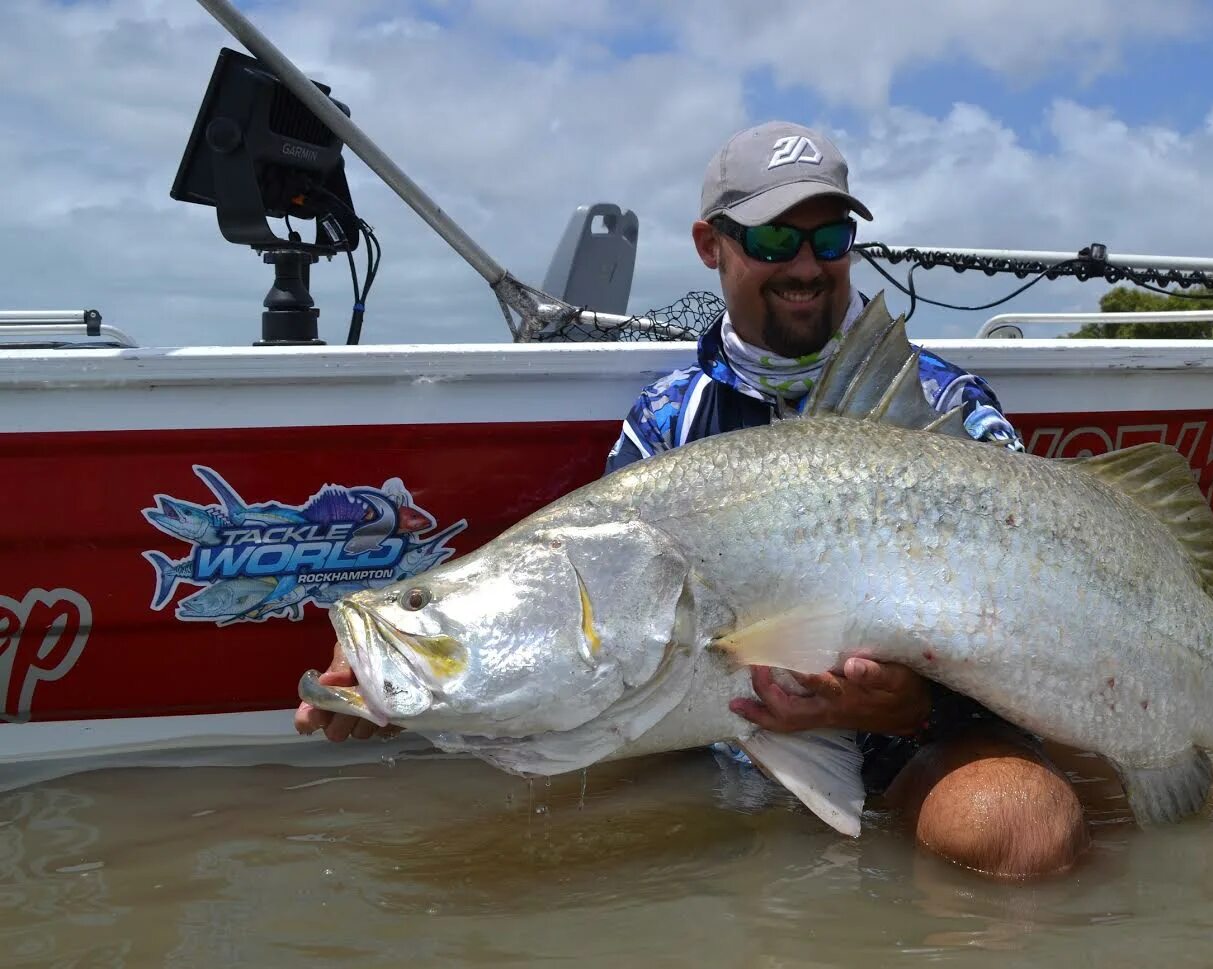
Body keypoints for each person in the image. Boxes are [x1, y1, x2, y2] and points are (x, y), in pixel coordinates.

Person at [297, 121, 1089, 878]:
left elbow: (1035, 629)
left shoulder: (940, 405)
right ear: (711, 244)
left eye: (831, 239)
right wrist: (414, 688)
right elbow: (606, 648)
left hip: (920, 735)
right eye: (776, 239)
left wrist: (912, 707)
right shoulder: (665, 426)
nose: (807, 265)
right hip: (728, 744)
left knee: (1016, 831)